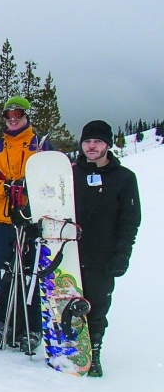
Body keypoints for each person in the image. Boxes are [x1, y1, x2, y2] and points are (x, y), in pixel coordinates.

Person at [0, 95, 52, 338]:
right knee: (5, 274)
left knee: (30, 274)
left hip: (31, 220)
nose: (12, 120)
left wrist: (27, 188)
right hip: (3, 220)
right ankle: (8, 321)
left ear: (26, 116)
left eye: (17, 115)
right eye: (8, 116)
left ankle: (31, 326)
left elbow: (50, 178)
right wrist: (7, 188)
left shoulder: (39, 144)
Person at [73, 120, 140, 377]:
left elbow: (130, 219)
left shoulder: (124, 178)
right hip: (69, 252)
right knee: (66, 303)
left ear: (107, 145)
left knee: (97, 306)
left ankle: (94, 351)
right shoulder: (69, 173)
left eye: (98, 141)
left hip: (102, 253)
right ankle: (70, 350)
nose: (92, 146)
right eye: (88, 141)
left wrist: (123, 252)